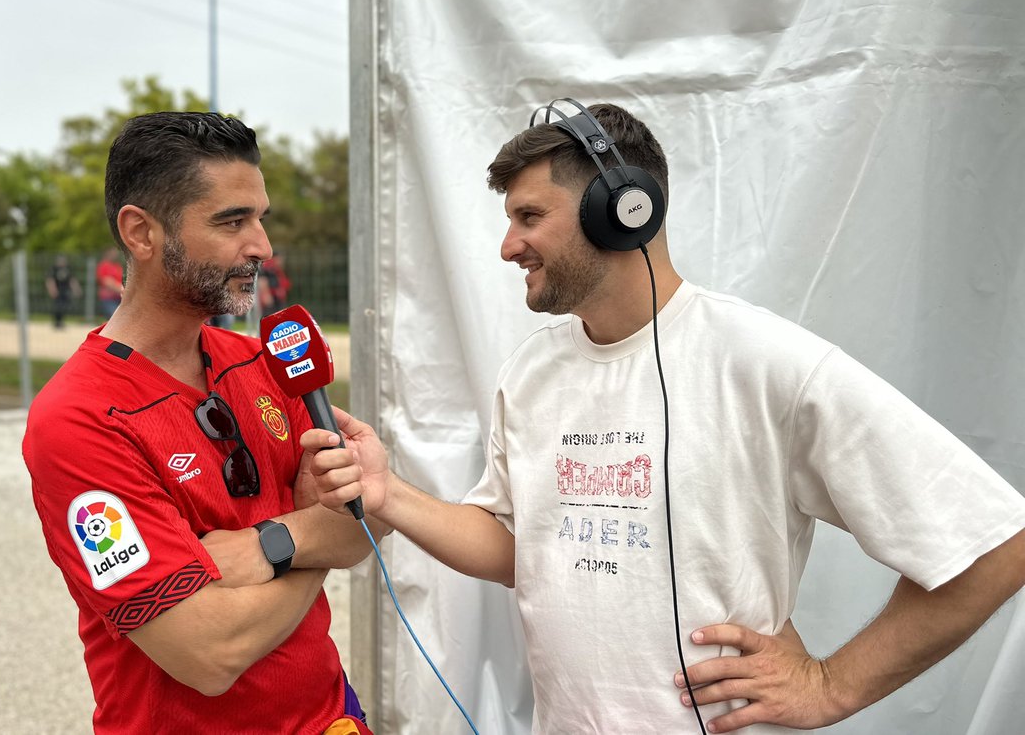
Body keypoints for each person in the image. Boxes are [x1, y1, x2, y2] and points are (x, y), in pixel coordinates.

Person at [303, 101, 1025, 734]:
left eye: (529, 217)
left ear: (623, 208)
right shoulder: (532, 373)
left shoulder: (765, 361)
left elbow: (994, 543)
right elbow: (522, 548)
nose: (507, 245)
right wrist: (390, 495)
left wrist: (832, 685)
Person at [22, 112, 376, 735]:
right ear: (141, 233)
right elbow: (208, 653)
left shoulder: (262, 361)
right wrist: (304, 534)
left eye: (260, 217)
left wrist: (272, 544)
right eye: (232, 221)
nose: (262, 245)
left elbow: (359, 527)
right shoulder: (77, 418)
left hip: (331, 720)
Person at [44, 253, 82, 329]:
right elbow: (50, 280)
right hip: (58, 291)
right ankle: (57, 322)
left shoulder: (68, 269)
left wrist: (76, 289)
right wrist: (52, 289)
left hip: (65, 291)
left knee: (64, 306)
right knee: (57, 306)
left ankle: (60, 321)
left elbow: (72, 280)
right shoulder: (54, 269)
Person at [95, 246, 124, 319]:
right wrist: (122, 289)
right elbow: (106, 281)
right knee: (114, 317)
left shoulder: (117, 266)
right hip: (108, 298)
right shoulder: (104, 265)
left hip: (119, 297)